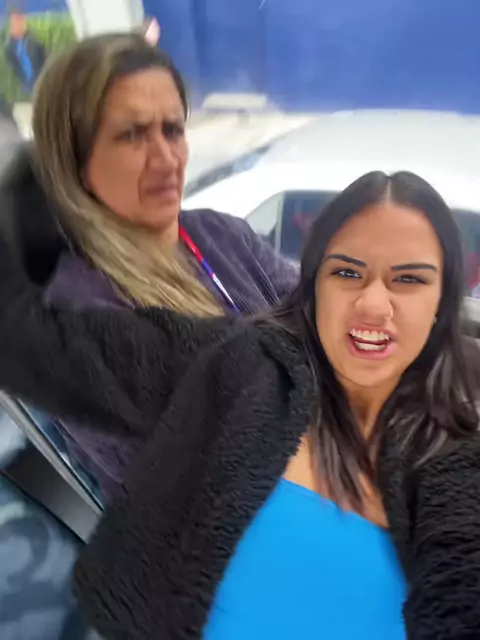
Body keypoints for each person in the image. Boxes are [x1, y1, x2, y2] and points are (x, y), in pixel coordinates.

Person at [0, 170, 479, 638]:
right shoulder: (240, 362)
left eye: (408, 279)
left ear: (442, 300)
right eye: (348, 272)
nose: (374, 303)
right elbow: (43, 347)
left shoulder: (454, 444)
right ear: (315, 282)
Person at [0, 32, 297, 499]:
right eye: (132, 135)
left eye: (172, 130)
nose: (165, 158)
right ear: (76, 162)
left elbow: (322, 320)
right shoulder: (77, 317)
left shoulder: (221, 234)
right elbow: (206, 473)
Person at [4, 7, 46, 96]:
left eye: (18, 22)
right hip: (28, 86)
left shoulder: (33, 42)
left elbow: (42, 60)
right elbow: (14, 65)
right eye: (13, 24)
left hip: (41, 83)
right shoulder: (11, 47)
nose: (16, 26)